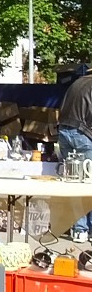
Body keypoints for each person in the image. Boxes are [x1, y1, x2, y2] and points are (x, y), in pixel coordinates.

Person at [57, 71, 92, 242]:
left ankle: (79, 229)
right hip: (82, 133)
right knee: (87, 182)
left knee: (73, 181)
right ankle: (83, 228)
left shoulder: (77, 83)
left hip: (64, 131)